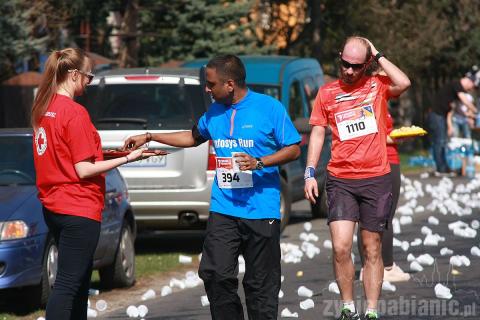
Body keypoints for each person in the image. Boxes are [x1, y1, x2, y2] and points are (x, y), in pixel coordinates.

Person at [122, 54, 301, 320]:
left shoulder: (269, 108)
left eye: (211, 83)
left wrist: (259, 162)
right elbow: (193, 136)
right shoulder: (215, 111)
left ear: (230, 84)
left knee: (260, 285)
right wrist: (149, 137)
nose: (207, 88)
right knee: (215, 274)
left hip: (261, 210)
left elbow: (294, 148)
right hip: (224, 208)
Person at [31, 48, 148, 320]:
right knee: (69, 283)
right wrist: (128, 158)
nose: (89, 82)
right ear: (73, 75)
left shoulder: (43, 108)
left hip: (55, 205)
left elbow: (63, 155)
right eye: (88, 76)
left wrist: (108, 155)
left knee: (79, 279)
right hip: (77, 207)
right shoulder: (75, 113)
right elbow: (83, 169)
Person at [304, 36, 411, 320]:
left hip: (376, 177)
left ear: (367, 65)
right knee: (340, 247)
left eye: (356, 66)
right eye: (344, 64)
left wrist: (378, 53)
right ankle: (348, 307)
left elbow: (404, 82)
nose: (349, 71)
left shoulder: (377, 86)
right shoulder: (326, 93)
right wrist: (310, 172)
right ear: (339, 58)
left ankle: (372, 310)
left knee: (371, 247)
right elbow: (317, 132)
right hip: (340, 179)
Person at [357, 110, 411, 283]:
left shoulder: (374, 98)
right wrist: (393, 138)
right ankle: (386, 267)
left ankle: (369, 267)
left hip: (376, 161)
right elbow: (367, 133)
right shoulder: (370, 99)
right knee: (385, 216)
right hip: (384, 160)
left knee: (370, 218)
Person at [427, 73, 477, 175]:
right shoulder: (456, 84)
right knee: (439, 142)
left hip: (440, 116)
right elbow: (465, 101)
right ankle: (440, 168)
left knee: (442, 141)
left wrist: (469, 115)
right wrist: (476, 111)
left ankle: (443, 167)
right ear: (469, 81)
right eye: (472, 86)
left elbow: (452, 110)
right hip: (436, 114)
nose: (470, 89)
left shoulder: (453, 91)